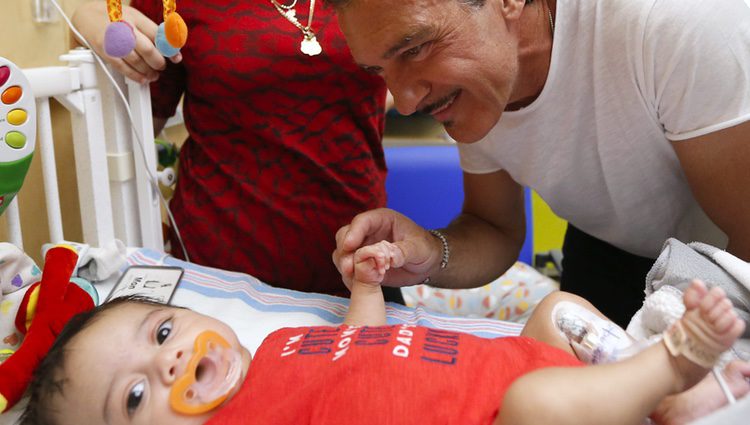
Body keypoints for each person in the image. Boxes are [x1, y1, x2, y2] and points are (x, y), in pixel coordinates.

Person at [326, 0, 750, 327]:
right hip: (613, 247)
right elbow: (493, 226)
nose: (405, 100)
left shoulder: (671, 24)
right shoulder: (480, 77)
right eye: (380, 70)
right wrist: (429, 253)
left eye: (415, 49)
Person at [19, 240, 750, 425]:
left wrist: (365, 289)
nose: (173, 354)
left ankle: (652, 390)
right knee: (540, 404)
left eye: (163, 328)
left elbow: (354, 346)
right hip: (510, 414)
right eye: (138, 394)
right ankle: (669, 367)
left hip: (533, 363)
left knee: (552, 310)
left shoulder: (277, 346)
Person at [70, 0, 406, 302]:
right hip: (218, 268)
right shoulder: (174, 5)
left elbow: (410, 84)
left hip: (358, 264)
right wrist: (85, 21)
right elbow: (131, 125)